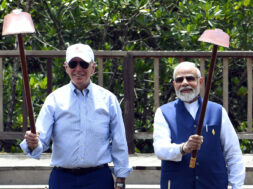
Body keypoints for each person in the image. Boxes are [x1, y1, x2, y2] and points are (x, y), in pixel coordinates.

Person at [20, 43, 132, 189]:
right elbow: (40, 141)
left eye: (84, 64)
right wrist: (33, 143)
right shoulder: (54, 100)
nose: (78, 69)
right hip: (62, 178)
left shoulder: (108, 100)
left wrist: (121, 179)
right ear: (66, 67)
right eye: (73, 64)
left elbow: (119, 141)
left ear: (93, 68)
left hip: (98, 178)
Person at [153, 61, 245, 189]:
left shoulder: (217, 111)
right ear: (174, 85)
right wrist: (183, 148)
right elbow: (160, 149)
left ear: (200, 82)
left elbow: (233, 152)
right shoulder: (163, 112)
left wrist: (237, 186)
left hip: (213, 184)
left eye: (190, 78)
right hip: (177, 184)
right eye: (179, 80)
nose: (184, 83)